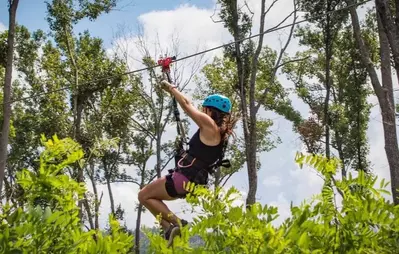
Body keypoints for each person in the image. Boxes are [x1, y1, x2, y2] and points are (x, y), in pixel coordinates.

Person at [137, 80, 238, 246]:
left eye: (204, 109)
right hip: (193, 183)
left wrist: (171, 88)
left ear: (209, 110)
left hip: (184, 178)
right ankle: (169, 229)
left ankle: (177, 223)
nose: (202, 111)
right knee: (149, 197)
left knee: (143, 195)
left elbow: (186, 104)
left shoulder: (209, 125)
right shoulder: (219, 134)